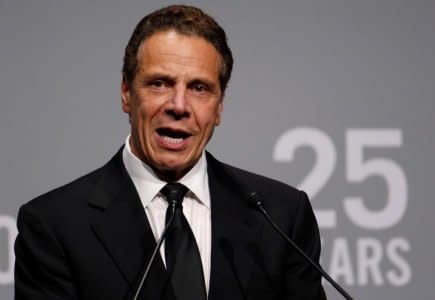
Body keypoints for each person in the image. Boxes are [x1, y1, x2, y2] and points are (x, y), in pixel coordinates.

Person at [14, 5, 326, 300]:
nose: (179, 106)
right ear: (126, 93)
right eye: (160, 83)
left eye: (199, 88)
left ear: (219, 106)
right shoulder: (55, 225)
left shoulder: (281, 217)